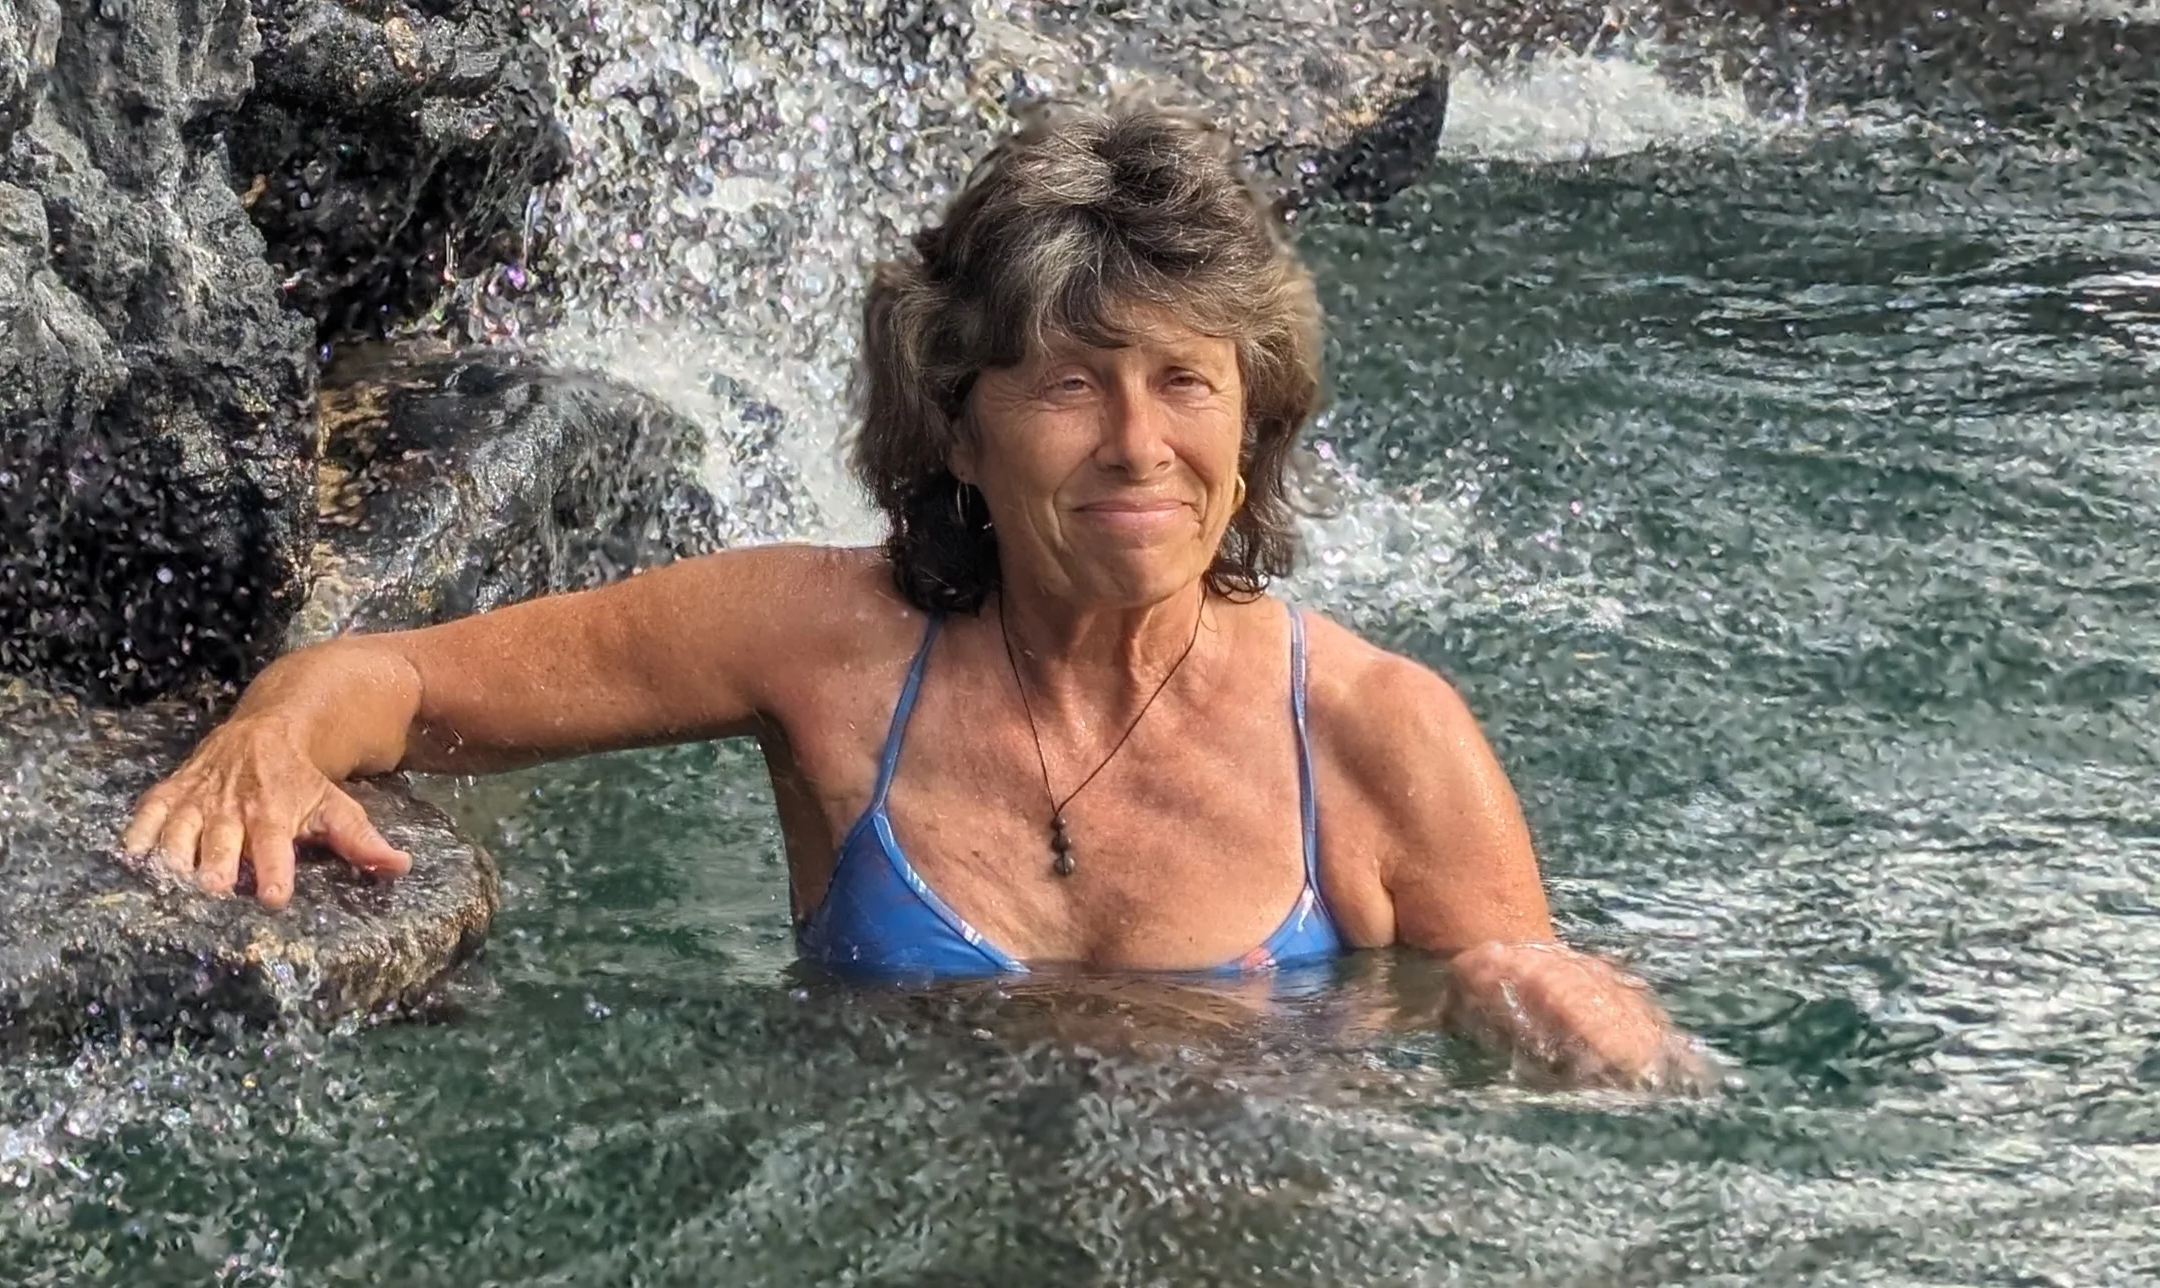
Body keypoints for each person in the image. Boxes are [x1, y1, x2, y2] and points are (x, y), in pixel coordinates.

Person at [127, 96, 1699, 1081]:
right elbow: (395, 681)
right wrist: (273, 732)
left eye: (1186, 384)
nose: (1140, 446)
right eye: (1073, 386)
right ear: (958, 418)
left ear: (1256, 413)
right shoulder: (822, 645)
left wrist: (1565, 1013)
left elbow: (1517, 970)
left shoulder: (1379, 731)